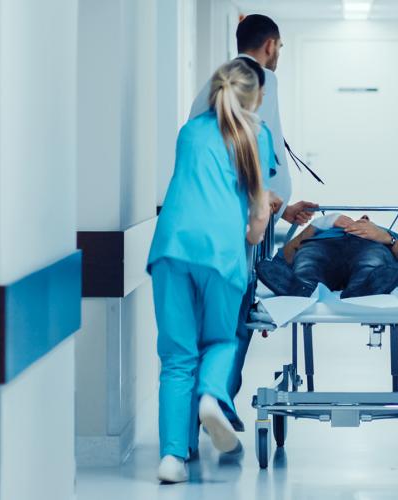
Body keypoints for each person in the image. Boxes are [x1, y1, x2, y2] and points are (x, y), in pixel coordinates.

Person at [148, 59, 274, 484]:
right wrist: (253, 237)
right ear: (255, 97)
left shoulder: (190, 132)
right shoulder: (257, 136)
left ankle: (172, 457)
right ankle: (212, 397)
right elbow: (259, 214)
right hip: (222, 252)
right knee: (220, 339)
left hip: (171, 247)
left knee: (176, 355)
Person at [191, 14, 317, 432]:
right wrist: (279, 210)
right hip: (239, 222)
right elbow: (268, 145)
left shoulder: (216, 81)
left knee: (196, 328)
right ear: (270, 45)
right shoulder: (262, 79)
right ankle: (219, 402)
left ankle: (196, 415)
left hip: (192, 224)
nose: (278, 55)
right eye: (279, 47)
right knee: (236, 318)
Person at [257, 214, 398, 298]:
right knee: (308, 260)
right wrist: (315, 227)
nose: (355, 220)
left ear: (368, 219)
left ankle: (362, 287)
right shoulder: (320, 231)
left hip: (370, 247)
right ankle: (302, 286)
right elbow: (281, 259)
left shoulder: (383, 233)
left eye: (363, 219)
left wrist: (388, 239)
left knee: (372, 262)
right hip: (323, 245)